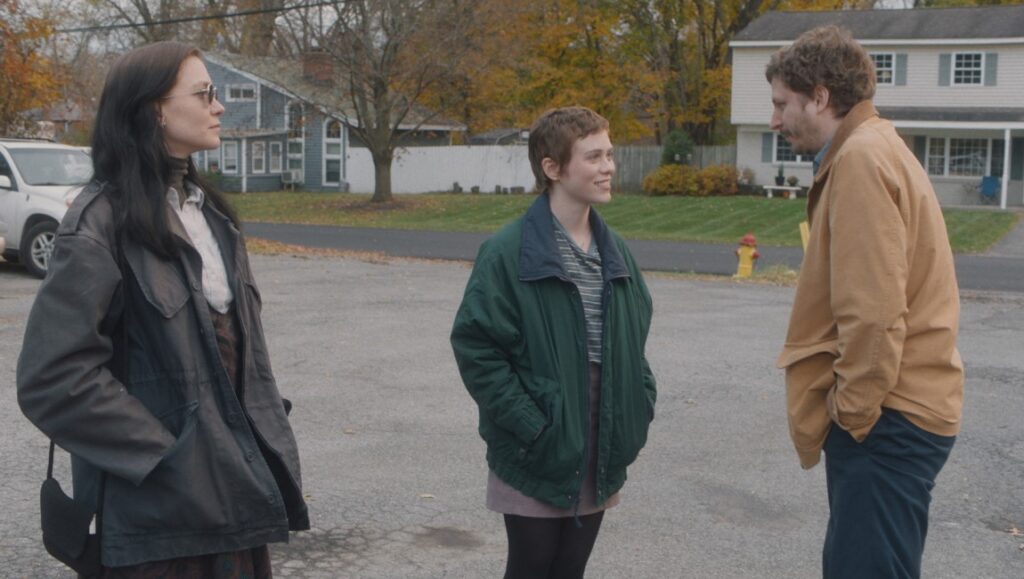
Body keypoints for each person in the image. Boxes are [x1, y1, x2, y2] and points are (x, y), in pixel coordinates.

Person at [17, 41, 309, 577]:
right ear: (154, 109)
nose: (219, 106)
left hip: (233, 499)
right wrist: (167, 454)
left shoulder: (212, 217)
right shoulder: (97, 226)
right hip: (158, 523)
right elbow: (53, 378)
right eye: (204, 94)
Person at [768, 27, 963, 578]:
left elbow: (873, 313)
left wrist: (851, 415)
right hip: (902, 414)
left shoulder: (859, 159)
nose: (776, 121)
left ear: (821, 96)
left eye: (784, 103)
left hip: (888, 420)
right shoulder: (877, 146)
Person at [450, 106, 656, 579]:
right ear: (552, 167)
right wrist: (532, 423)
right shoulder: (507, 251)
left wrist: (637, 404)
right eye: (594, 156)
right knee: (531, 567)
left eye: (610, 154)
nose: (608, 167)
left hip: (600, 441)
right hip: (537, 444)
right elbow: (477, 348)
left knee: (570, 569)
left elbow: (635, 337)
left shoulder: (616, 251)